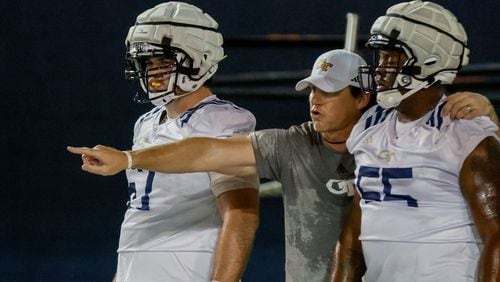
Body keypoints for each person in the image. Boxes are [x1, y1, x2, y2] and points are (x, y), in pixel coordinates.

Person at [68, 46, 496, 281]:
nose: (315, 101)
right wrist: (129, 158)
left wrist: (485, 112)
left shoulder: (404, 136)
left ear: (364, 97)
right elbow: (207, 150)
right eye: (312, 90)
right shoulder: (293, 143)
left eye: (329, 92)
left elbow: (468, 145)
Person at [78, 2, 260, 282]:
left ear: (200, 58)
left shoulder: (223, 120)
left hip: (187, 268)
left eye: (163, 62)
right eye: (148, 63)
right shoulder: (147, 122)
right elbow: (141, 220)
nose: (152, 72)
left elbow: (241, 215)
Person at [333, 1, 500, 281]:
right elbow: (354, 233)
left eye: (392, 59)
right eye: (381, 57)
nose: (380, 69)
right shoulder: (370, 125)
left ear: (429, 61)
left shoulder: (467, 134)